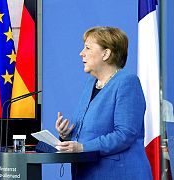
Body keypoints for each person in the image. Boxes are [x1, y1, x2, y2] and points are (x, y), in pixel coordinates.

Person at [55, 26, 152, 179]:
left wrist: (82, 147)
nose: (81, 53)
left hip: (118, 174)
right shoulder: (91, 83)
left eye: (88, 48)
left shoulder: (127, 82)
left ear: (106, 54)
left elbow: (125, 134)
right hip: (87, 172)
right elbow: (89, 133)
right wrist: (66, 135)